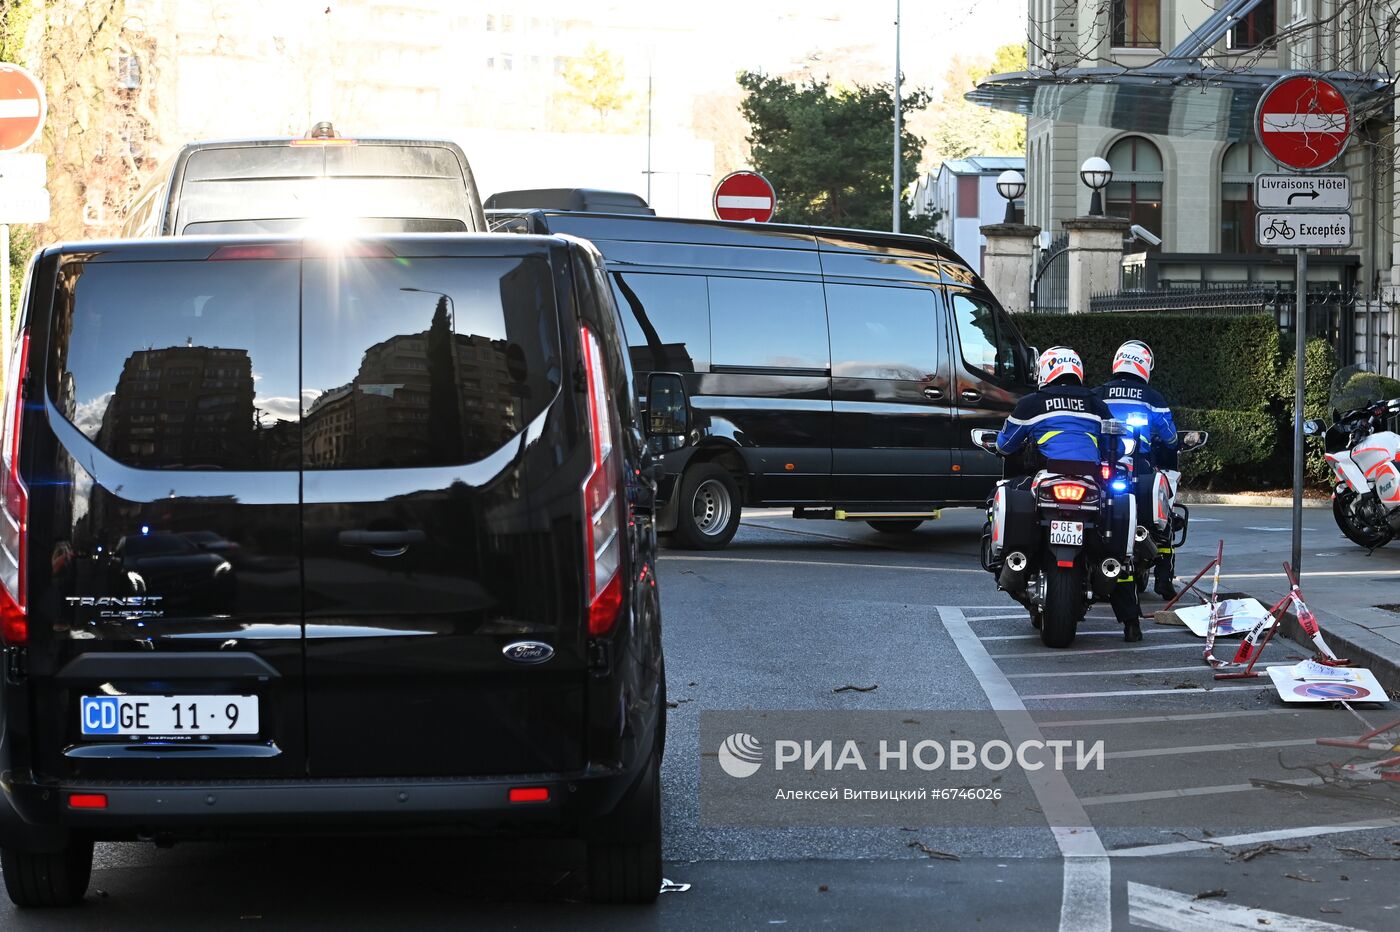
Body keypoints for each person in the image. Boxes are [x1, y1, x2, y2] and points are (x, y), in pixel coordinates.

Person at [997, 347, 1144, 640]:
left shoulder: (1031, 404)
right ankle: (1131, 622)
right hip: (1089, 483)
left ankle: (1012, 561)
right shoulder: (1095, 403)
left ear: (1045, 371)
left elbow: (1005, 445)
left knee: (1003, 498)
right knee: (1112, 539)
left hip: (1049, 479)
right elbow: (1113, 445)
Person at [1093, 340, 1181, 599]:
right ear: (1145, 366)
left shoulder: (1097, 393)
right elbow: (1171, 439)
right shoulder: (1153, 398)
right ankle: (1163, 580)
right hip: (1138, 466)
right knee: (1163, 517)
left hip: (1101, 466)